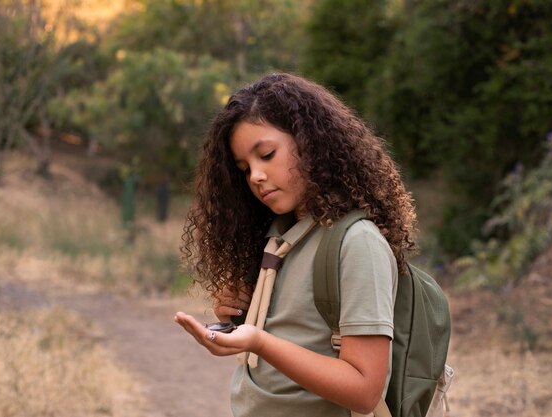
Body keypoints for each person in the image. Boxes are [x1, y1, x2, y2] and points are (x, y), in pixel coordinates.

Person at [175, 73, 417, 417]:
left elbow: (364, 390)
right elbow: (299, 335)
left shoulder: (356, 243)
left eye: (267, 154)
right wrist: (240, 316)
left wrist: (259, 342)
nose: (256, 176)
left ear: (312, 143)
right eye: (245, 168)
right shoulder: (280, 237)